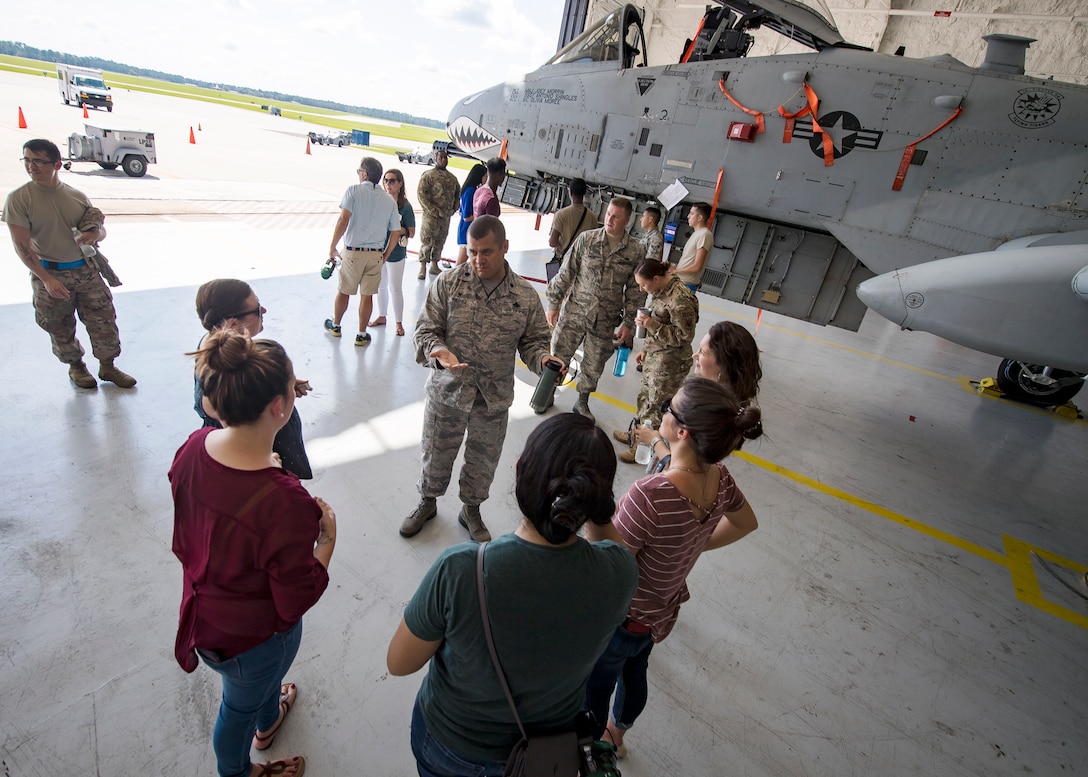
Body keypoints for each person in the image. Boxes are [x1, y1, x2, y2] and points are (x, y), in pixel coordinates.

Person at [387, 413, 638, 777]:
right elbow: (614, 546)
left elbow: (399, 663)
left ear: (521, 472)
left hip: (452, 745)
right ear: (597, 498)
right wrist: (596, 510)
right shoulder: (618, 572)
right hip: (543, 755)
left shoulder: (462, 569)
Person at [170, 328, 337, 777]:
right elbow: (293, 598)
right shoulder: (285, 502)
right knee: (236, 709)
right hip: (251, 637)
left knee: (255, 690)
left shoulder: (191, 449)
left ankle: (269, 716)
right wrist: (327, 541)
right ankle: (239, 770)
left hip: (204, 611)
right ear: (280, 407)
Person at [585, 376, 761, 755]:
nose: (662, 410)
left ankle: (591, 741)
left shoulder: (648, 496)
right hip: (659, 615)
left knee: (597, 684)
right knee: (635, 675)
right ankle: (618, 734)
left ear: (682, 430)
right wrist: (695, 545)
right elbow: (746, 522)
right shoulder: (721, 479)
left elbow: (610, 564)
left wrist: (591, 516)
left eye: (668, 407)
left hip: (621, 616)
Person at [402, 216, 559, 543]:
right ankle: (427, 502)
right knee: (436, 451)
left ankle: (471, 509)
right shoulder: (449, 283)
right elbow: (426, 329)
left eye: (486, 252)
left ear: (504, 247)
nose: (478, 260)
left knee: (483, 459)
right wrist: (439, 351)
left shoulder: (525, 296)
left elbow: (533, 342)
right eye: (472, 251)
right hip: (449, 391)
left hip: (493, 397)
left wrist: (542, 359)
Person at [2, 139, 136, 389]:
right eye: (28, 160)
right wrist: (46, 279)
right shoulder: (19, 199)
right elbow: (22, 246)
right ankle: (76, 367)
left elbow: (99, 231)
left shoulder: (75, 196)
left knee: (103, 320)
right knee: (59, 325)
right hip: (51, 271)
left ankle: (108, 366)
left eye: (39, 161)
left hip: (86, 270)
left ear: (56, 164)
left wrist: (96, 235)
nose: (32, 166)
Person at [194, 279, 313, 479]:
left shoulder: (220, 351)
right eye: (257, 309)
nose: (264, 310)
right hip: (261, 458)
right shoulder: (217, 370)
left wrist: (282, 384)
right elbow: (213, 405)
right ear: (233, 323)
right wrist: (265, 461)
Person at [545, 197, 646, 420]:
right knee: (558, 353)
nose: (609, 219)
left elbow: (636, 291)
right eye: (608, 213)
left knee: (594, 362)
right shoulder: (587, 239)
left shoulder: (635, 252)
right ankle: (547, 392)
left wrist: (629, 323)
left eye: (616, 216)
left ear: (627, 220)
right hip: (574, 312)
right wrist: (553, 303)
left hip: (605, 319)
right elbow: (566, 272)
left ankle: (582, 402)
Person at [636, 320, 762, 473]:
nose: (695, 355)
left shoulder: (710, 409)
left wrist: (654, 440)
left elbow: (686, 470)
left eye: (702, 352)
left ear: (723, 364)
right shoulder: (730, 402)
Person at [613, 260, 699, 463]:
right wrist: (646, 348)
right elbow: (660, 321)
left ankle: (642, 449)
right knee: (645, 400)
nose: (642, 289)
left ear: (657, 278)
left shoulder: (680, 299)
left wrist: (651, 324)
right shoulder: (661, 290)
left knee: (655, 407)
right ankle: (637, 434)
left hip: (670, 363)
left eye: (644, 285)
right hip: (656, 357)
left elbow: (684, 337)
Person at [324, 156, 401, 347]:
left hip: (353, 252)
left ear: (364, 174)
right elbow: (396, 232)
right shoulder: (389, 201)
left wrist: (333, 245)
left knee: (344, 291)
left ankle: (336, 326)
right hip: (375, 255)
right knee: (367, 295)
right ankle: (361, 334)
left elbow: (344, 219)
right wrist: (385, 255)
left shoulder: (353, 191)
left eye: (359, 172)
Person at [372, 168, 416, 335]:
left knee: (395, 288)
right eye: (385, 181)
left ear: (400, 184)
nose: (388, 184)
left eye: (391, 181)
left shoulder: (405, 207)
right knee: (381, 286)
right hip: (378, 250)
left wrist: (399, 229)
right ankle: (382, 316)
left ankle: (399, 323)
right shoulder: (381, 202)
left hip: (396, 254)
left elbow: (411, 232)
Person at [416, 145, 460, 279]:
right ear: (435, 158)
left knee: (440, 240)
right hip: (431, 217)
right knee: (427, 241)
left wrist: (454, 208)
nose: (443, 160)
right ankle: (423, 266)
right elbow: (421, 194)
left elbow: (457, 195)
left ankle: (434, 265)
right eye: (440, 157)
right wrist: (432, 210)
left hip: (445, 217)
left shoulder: (452, 179)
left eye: (445, 158)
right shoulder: (428, 176)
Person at [548, 177, 598, 263]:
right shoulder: (592, 217)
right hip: (580, 263)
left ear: (570, 192)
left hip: (563, 261)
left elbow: (552, 242)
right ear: (584, 193)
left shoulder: (561, 214)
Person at [672, 202, 713, 291]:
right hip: (681, 282)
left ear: (700, 217)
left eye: (691, 213)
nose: (688, 216)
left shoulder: (704, 235)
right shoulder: (697, 233)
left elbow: (697, 266)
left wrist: (675, 271)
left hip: (686, 285)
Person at [455, 163, 487, 266]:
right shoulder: (471, 191)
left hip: (465, 230)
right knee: (459, 265)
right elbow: (466, 217)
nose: (486, 179)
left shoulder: (469, 190)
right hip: (467, 231)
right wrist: (481, 216)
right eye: (485, 176)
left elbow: (461, 211)